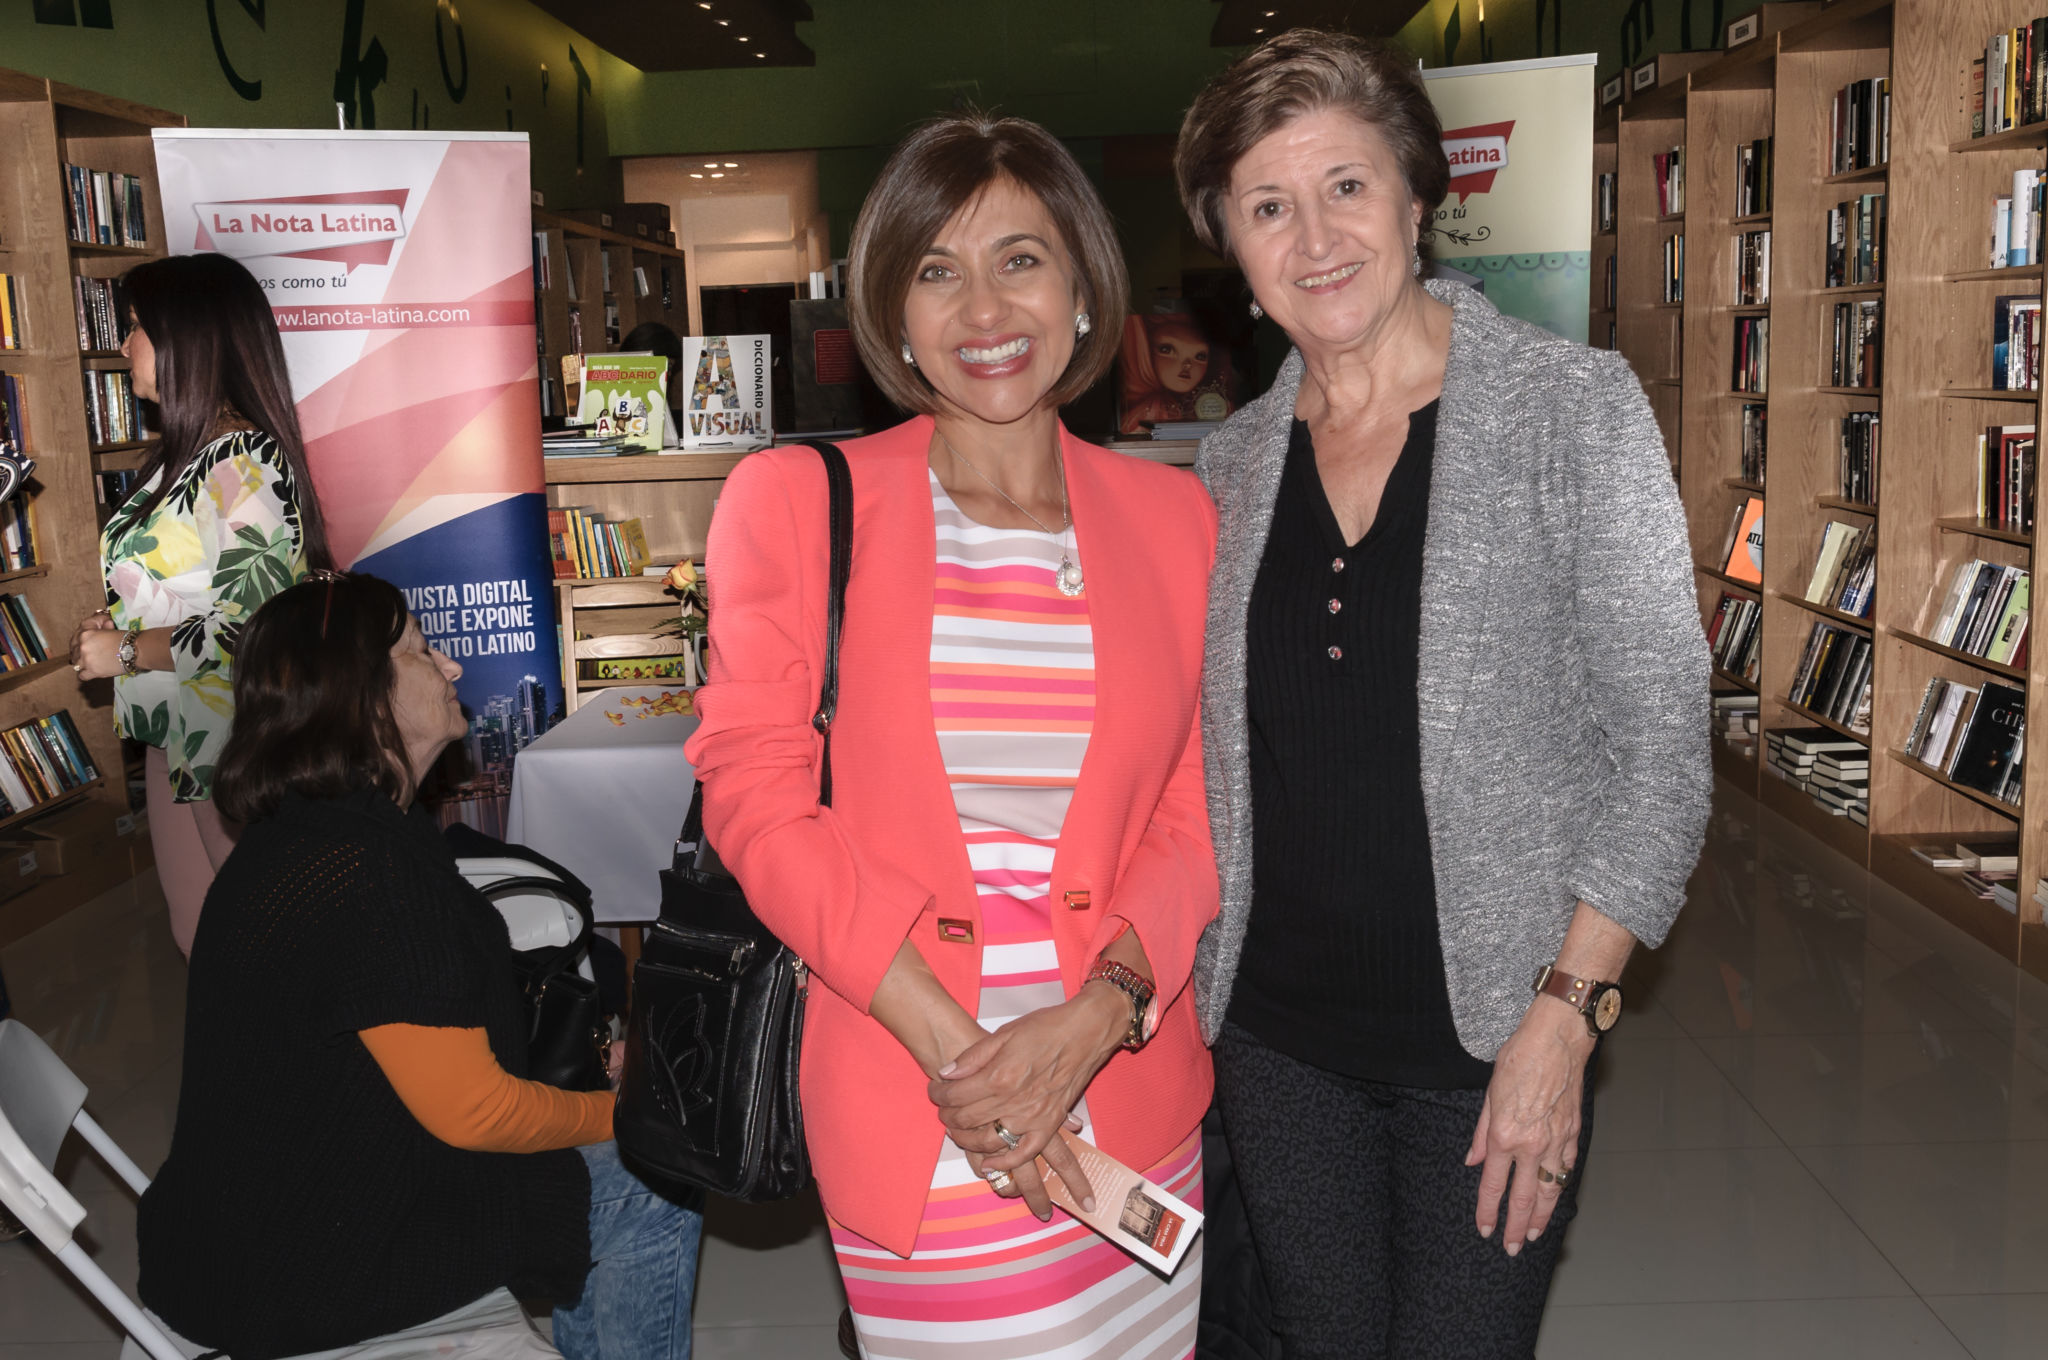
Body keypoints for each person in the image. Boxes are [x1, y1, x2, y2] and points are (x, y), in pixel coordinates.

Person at [1176, 31, 1710, 1359]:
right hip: (1276, 1042)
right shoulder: (1227, 469)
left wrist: (1568, 1016)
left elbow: (1660, 755)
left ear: (1418, 198)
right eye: (1268, 206)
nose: (1315, 238)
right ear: (1231, 246)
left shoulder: (1572, 411)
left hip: (1494, 1038)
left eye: (1346, 187)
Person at [685, 112, 1219, 1359]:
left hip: (1126, 1094)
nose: (983, 308)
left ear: (1081, 288)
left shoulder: (1175, 518)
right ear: (892, 308)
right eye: (936, 269)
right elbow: (756, 801)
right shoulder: (796, 501)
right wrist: (971, 1067)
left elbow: (1201, 803)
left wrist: (1098, 1017)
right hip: (921, 1092)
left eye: (1019, 259)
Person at [135, 571, 699, 1360]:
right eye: (422, 651)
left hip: (234, 1241)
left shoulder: (303, 835)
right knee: (658, 1170)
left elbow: (404, 1041)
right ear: (363, 696)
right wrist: (622, 1112)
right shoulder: (368, 871)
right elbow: (476, 1113)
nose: (452, 666)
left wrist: (578, 1078)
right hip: (304, 1268)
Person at [70, 253, 326, 958]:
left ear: (190, 338)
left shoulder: (242, 463)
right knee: (205, 942)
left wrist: (124, 651)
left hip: (234, 740)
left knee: (267, 951)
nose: (124, 345)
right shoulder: (182, 456)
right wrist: (124, 621)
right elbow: (195, 587)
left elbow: (256, 628)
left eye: (136, 327)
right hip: (176, 729)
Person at [1117, 313, 1234, 433]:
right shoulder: (1143, 414)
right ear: (1145, 351)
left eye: (1200, 356)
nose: (1187, 365)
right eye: (1166, 350)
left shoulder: (1220, 408)